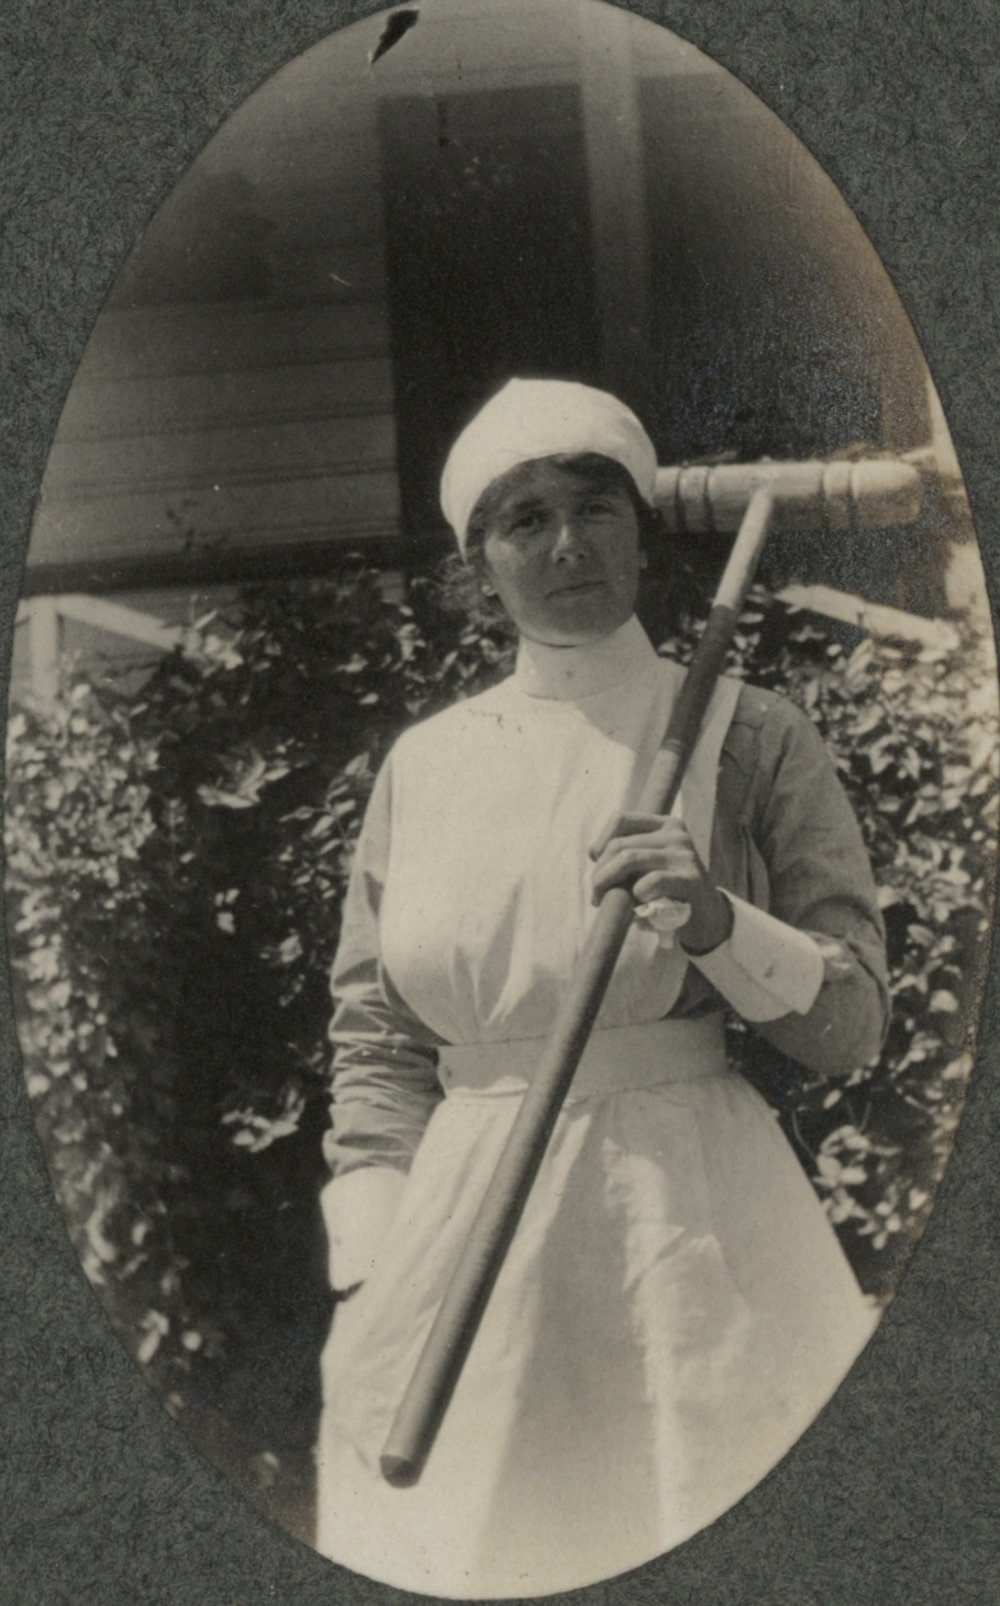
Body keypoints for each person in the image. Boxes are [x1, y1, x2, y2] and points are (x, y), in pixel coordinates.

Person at [313, 379, 889, 1598]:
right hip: (460, 1241)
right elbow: (373, 1032)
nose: (565, 542)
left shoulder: (748, 730)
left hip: (691, 1232)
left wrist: (718, 922)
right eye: (523, 519)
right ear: (480, 566)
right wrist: (372, 1258)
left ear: (641, 530)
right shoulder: (423, 766)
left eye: (593, 506)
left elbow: (852, 1028)